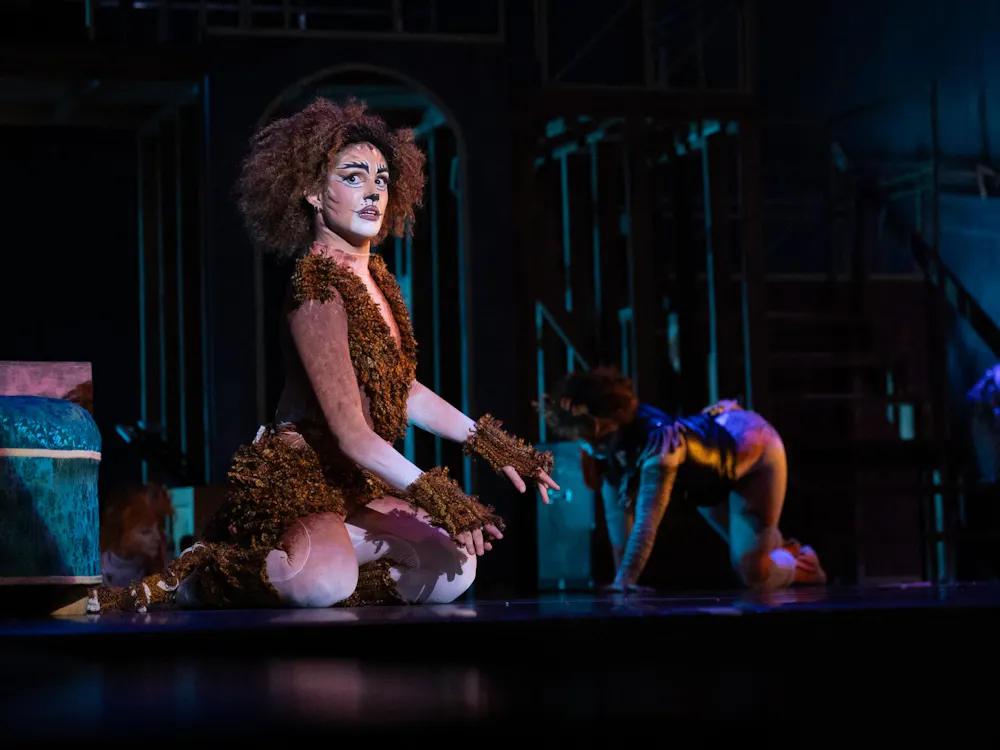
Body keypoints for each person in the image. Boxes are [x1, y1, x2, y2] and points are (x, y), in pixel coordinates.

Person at [90, 98, 557, 613]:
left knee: (454, 569)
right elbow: (351, 432)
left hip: (355, 480)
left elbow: (399, 390)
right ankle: (204, 573)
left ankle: (331, 562)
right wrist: (442, 496)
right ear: (313, 192)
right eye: (354, 178)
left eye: (380, 179)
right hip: (302, 480)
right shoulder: (316, 286)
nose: (374, 192)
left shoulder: (376, 277)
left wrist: (492, 445)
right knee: (323, 585)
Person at [540, 367, 826, 592]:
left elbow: (646, 523)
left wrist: (626, 580)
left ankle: (806, 564)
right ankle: (784, 550)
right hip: (707, 480)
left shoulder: (659, 446)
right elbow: (618, 516)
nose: (582, 446)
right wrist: (620, 580)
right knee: (753, 552)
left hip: (753, 450)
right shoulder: (606, 450)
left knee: (753, 574)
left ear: (603, 425)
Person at [99, 483, 173, 587]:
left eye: (158, 528)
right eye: (145, 532)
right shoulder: (99, 569)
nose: (157, 537)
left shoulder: (154, 567)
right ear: (120, 533)